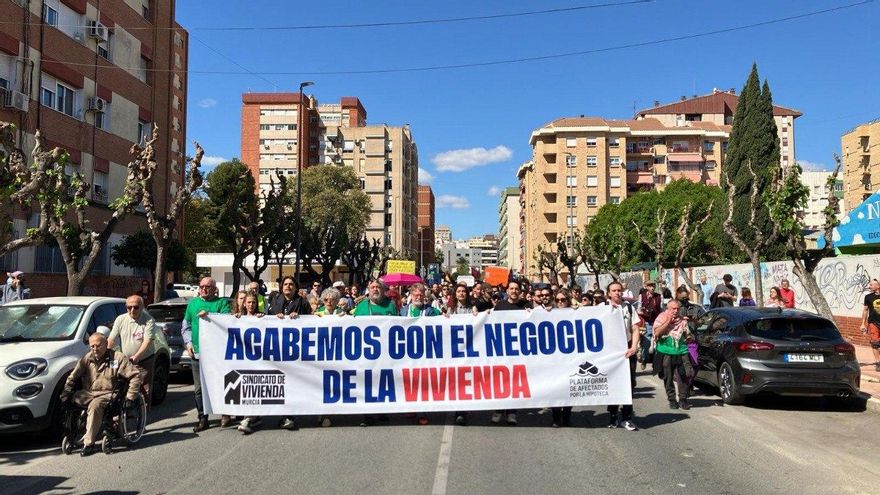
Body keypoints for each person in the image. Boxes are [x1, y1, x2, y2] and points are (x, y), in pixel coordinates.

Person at [60, 333, 142, 456]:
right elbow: (72, 377)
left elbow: (135, 375)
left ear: (105, 344)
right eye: (92, 346)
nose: (95, 349)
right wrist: (66, 392)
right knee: (69, 402)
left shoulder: (117, 358)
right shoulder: (87, 358)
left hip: (108, 393)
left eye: (98, 346)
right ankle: (71, 434)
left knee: (95, 406)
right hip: (88, 393)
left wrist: (131, 396)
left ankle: (89, 444)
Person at [182, 277, 232, 433]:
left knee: (221, 384)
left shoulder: (222, 303)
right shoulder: (193, 304)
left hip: (217, 353)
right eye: (201, 286)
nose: (204, 289)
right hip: (197, 353)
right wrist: (188, 343)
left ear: (214, 289)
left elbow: (227, 321)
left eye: (207, 287)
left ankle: (225, 413)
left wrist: (209, 314)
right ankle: (202, 417)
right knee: (199, 389)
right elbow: (186, 326)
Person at [267, 276, 312, 430]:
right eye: (285, 284)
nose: (288, 286)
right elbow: (264, 320)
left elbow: (311, 322)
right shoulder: (274, 302)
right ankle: (280, 414)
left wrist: (300, 318)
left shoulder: (303, 303)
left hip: (296, 351)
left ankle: (290, 416)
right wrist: (274, 318)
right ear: (281, 287)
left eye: (291, 284)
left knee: (293, 384)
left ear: (296, 287)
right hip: (277, 350)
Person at [489, 279, 532, 426]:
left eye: (516, 289)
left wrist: (531, 314)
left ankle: (512, 412)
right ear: (507, 291)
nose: (514, 291)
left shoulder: (526, 306)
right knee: (500, 380)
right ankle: (498, 410)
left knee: (514, 381)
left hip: (518, 350)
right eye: (511, 288)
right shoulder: (500, 305)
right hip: (501, 349)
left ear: (520, 291)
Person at [604, 281, 642, 431]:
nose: (617, 293)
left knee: (629, 384)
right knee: (612, 384)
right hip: (610, 352)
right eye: (614, 290)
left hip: (627, 351)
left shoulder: (629, 308)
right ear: (609, 293)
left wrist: (633, 347)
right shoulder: (601, 309)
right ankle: (612, 416)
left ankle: (626, 417)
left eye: (619, 290)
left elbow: (635, 329)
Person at [108, 295, 156, 406]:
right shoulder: (120, 319)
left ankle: (143, 414)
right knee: (120, 385)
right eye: (129, 307)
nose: (132, 310)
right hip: (125, 359)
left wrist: (137, 356)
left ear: (142, 307)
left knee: (144, 387)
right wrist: (106, 352)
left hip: (144, 359)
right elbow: (111, 339)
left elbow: (147, 342)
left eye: (136, 307)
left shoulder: (148, 320)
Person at [652, 299, 694, 410]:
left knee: (684, 375)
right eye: (673, 309)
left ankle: (683, 399)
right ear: (668, 309)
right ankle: (672, 400)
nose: (675, 311)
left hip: (681, 351)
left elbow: (687, 335)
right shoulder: (661, 317)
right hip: (666, 352)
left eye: (677, 309)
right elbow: (657, 332)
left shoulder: (682, 320)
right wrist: (668, 321)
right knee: (668, 377)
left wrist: (688, 336)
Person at [235, 293, 266, 434]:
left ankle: (249, 418)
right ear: (244, 303)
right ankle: (252, 417)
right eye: (248, 302)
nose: (251, 305)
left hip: (258, 361)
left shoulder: (262, 318)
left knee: (255, 388)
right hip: (242, 361)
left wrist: (263, 319)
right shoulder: (236, 318)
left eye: (253, 302)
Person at [550, 288, 574, 427]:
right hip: (554, 359)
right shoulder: (549, 313)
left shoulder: (575, 313)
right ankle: (556, 418)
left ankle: (567, 416)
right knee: (556, 389)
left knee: (569, 388)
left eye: (563, 300)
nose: (560, 302)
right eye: (557, 300)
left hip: (570, 358)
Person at [860, 279, 880, 372]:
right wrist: (862, 323)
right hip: (873, 323)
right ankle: (878, 362)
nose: (869, 286)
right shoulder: (868, 297)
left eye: (871, 285)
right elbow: (865, 310)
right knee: (875, 343)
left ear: (878, 286)